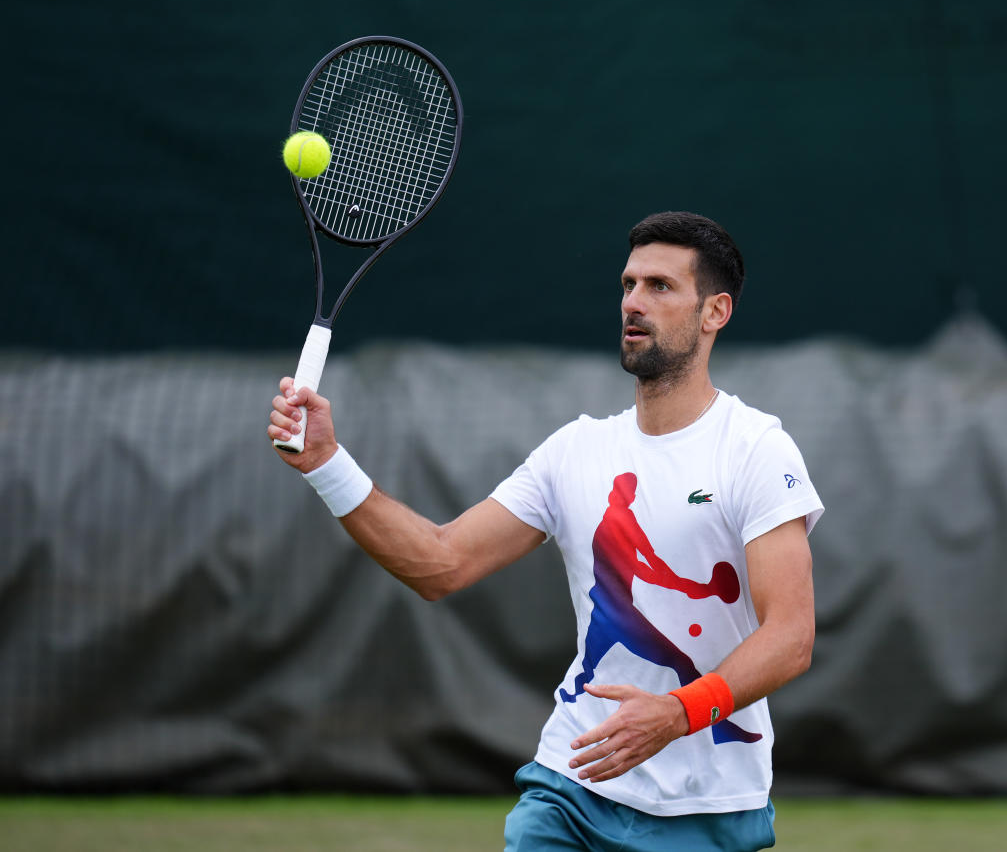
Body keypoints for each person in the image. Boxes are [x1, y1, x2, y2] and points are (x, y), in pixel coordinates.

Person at [267, 211, 823, 851]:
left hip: (711, 808)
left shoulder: (756, 449)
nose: (633, 303)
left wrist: (676, 714)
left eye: (660, 287)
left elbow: (791, 637)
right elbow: (439, 563)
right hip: (571, 788)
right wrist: (327, 465)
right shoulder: (575, 450)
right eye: (628, 284)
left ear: (715, 312)